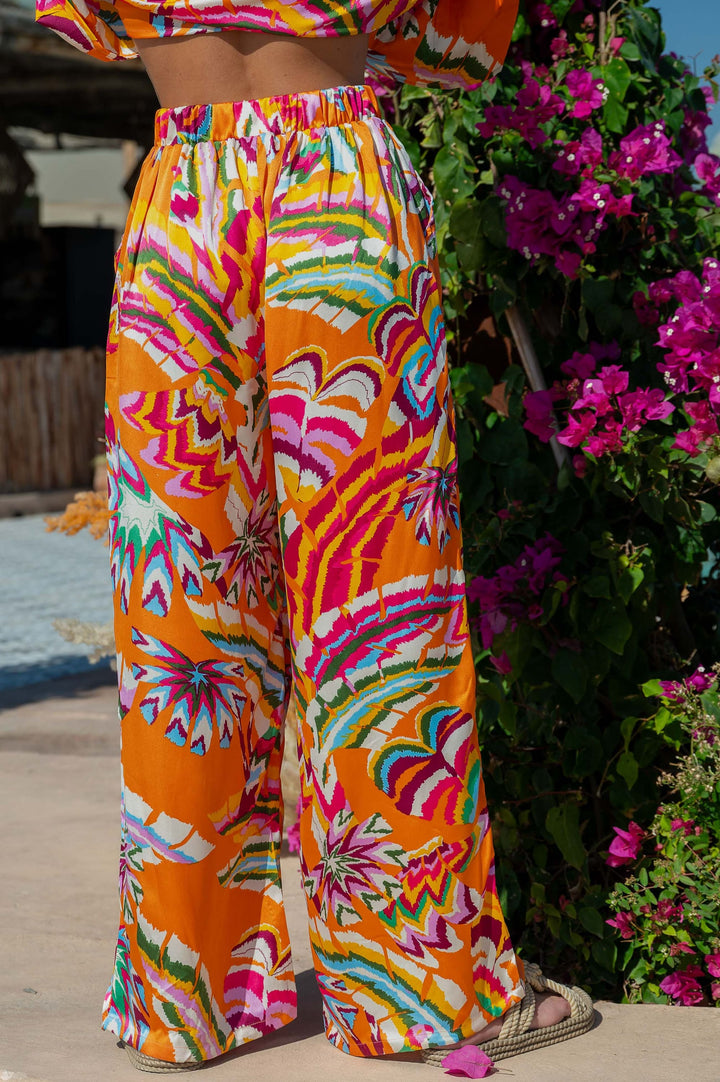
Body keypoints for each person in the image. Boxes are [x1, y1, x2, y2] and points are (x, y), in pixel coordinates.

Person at [34, 0, 595, 1072]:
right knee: (382, 600)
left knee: (182, 610)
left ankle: (183, 995)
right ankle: (420, 988)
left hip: (183, 203)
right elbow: (455, 45)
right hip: (339, 190)